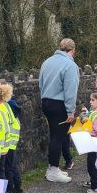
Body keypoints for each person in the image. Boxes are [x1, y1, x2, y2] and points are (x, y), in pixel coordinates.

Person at [38, 38, 80, 183]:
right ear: (73, 50)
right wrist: (70, 110)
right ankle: (53, 170)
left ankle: (53, 167)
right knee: (58, 137)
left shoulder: (47, 62)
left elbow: (41, 84)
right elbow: (70, 90)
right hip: (60, 105)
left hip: (46, 102)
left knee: (54, 135)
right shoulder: (70, 65)